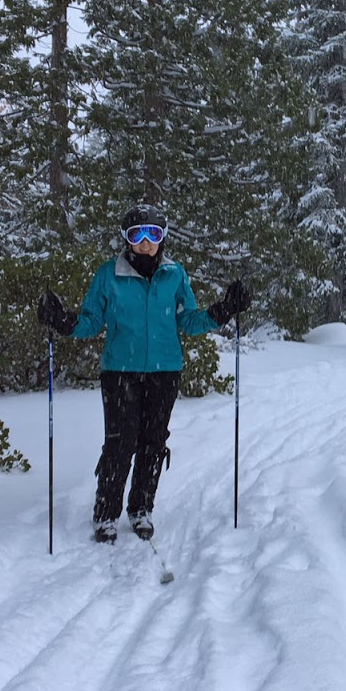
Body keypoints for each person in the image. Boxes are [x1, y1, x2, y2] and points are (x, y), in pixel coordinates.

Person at [36, 203, 251, 544]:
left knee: (153, 443)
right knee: (120, 443)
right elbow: (92, 321)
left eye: (154, 234)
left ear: (162, 237)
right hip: (120, 371)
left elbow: (189, 321)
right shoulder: (109, 274)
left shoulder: (174, 274)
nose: (146, 242)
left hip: (164, 372)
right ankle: (106, 513)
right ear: (126, 238)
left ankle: (141, 508)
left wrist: (224, 310)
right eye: (138, 234)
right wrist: (63, 321)